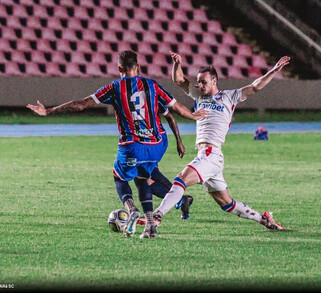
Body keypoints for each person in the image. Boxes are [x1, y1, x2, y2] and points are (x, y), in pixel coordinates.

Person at [27, 50, 207, 239]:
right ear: (138, 67)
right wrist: (192, 116)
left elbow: (81, 105)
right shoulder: (152, 85)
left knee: (119, 177)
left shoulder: (114, 87)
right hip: (157, 144)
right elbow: (175, 108)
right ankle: (151, 226)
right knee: (142, 177)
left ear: (119, 68)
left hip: (132, 145)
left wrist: (49, 111)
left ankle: (131, 209)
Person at [152, 52, 290, 234]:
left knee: (180, 179)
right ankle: (264, 219)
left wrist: (273, 71)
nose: (199, 85)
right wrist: (177, 63)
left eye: (204, 82)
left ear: (214, 81)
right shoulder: (198, 95)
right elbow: (179, 80)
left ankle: (156, 216)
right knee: (227, 203)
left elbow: (255, 87)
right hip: (207, 156)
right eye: (198, 82)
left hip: (211, 153)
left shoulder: (229, 97)